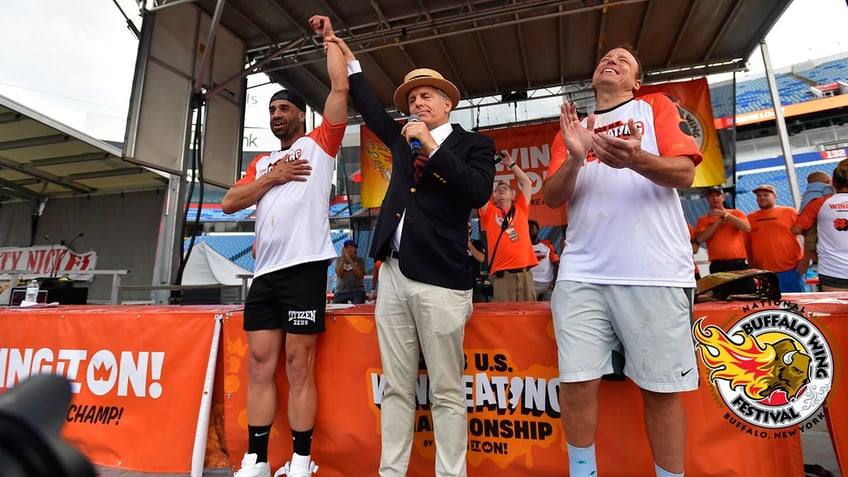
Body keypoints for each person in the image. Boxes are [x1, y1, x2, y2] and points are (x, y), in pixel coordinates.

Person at [315, 17, 495, 477]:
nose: (417, 102)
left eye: (426, 96)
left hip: (442, 277)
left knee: (447, 390)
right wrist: (341, 46)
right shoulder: (400, 138)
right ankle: (391, 473)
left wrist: (431, 145)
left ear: (447, 103)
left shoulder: (475, 144)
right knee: (396, 386)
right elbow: (368, 104)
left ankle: (450, 474)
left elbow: (476, 192)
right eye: (413, 98)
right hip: (391, 274)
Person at [542, 45, 702, 477]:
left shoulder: (656, 108)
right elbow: (552, 196)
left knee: (661, 390)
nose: (610, 61)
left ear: (636, 82)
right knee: (576, 383)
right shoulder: (572, 129)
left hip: (654, 271)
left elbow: (685, 173)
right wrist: (576, 157)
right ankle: (583, 472)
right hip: (580, 273)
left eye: (624, 60)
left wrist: (637, 159)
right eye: (604, 59)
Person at [221, 17, 348, 477]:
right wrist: (271, 177)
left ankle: (299, 460)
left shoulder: (320, 146)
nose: (276, 115)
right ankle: (256, 460)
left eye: (283, 109)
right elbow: (230, 202)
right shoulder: (261, 163)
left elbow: (339, 89)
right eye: (271, 110)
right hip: (266, 276)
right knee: (259, 364)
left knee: (298, 364)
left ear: (300, 115)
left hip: (305, 268)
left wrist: (331, 40)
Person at [478, 152, 538, 302]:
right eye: (498, 190)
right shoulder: (489, 211)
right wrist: (487, 167)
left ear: (513, 195)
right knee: (504, 323)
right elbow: (479, 189)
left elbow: (527, 183)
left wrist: (511, 163)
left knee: (529, 320)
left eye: (505, 188)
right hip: (502, 277)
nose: (501, 190)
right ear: (494, 197)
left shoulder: (521, 208)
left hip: (525, 275)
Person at [793, 159, 848, 291]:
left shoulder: (818, 203)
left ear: (833, 183)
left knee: (838, 311)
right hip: (832, 272)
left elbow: (797, 228)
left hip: (833, 272)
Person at [746, 184, 807, 293]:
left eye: (766, 195)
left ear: (775, 197)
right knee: (772, 306)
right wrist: (751, 266)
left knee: (797, 304)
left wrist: (805, 259)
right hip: (765, 272)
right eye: (759, 196)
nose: (762, 198)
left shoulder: (790, 212)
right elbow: (748, 244)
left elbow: (807, 233)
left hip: (792, 268)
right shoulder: (750, 218)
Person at [694, 186, 751, 274]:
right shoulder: (703, 220)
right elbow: (700, 239)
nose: (715, 198)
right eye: (712, 196)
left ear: (723, 198)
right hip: (718, 265)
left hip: (738, 263)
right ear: (707, 199)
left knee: (745, 288)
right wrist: (718, 222)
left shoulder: (737, 213)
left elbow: (747, 228)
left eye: (718, 195)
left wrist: (727, 215)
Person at [795, 171, 835, 276]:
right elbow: (832, 200)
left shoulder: (807, 193)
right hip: (817, 220)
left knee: (811, 239)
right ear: (828, 181)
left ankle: (816, 259)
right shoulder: (827, 189)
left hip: (807, 220)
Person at [528, 219, 559, 300]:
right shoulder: (522, 246)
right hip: (531, 283)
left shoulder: (548, 244)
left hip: (549, 283)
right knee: (530, 308)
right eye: (527, 228)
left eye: (532, 227)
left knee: (549, 308)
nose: (529, 230)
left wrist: (555, 281)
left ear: (537, 230)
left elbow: (556, 263)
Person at [332, 239, 367, 304]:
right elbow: (339, 274)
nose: (349, 249)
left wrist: (350, 260)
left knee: (357, 309)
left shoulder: (360, 260)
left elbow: (360, 274)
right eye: (347, 248)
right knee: (336, 309)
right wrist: (343, 258)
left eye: (352, 247)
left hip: (357, 291)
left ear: (355, 249)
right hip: (341, 291)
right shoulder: (339, 259)